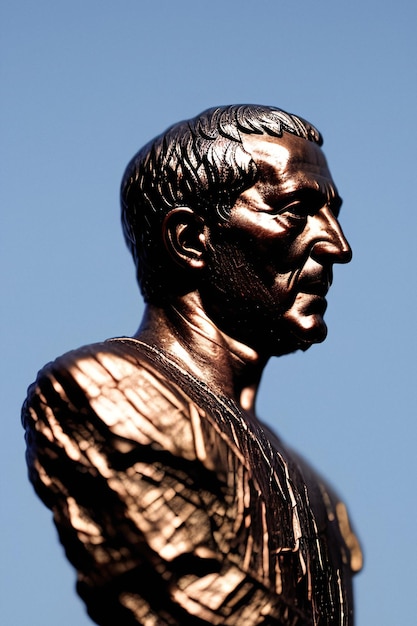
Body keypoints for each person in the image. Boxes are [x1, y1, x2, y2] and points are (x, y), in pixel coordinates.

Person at [22, 105, 362, 626]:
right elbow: (188, 596)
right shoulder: (106, 392)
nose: (338, 246)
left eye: (333, 213)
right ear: (190, 240)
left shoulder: (320, 496)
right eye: (296, 210)